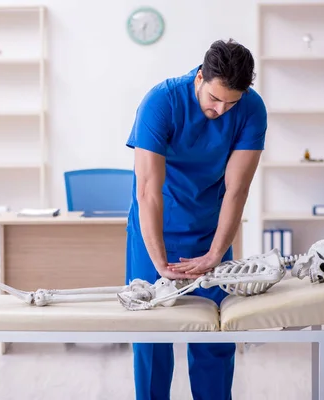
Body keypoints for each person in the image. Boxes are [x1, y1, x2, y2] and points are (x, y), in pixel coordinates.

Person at [124, 38, 267, 400]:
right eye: (214, 99)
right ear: (200, 77)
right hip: (154, 228)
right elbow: (147, 191)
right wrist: (158, 260)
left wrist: (216, 253)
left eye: (230, 102)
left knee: (216, 334)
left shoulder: (251, 109)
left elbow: (237, 190)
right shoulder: (161, 101)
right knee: (152, 336)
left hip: (210, 229)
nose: (221, 110)